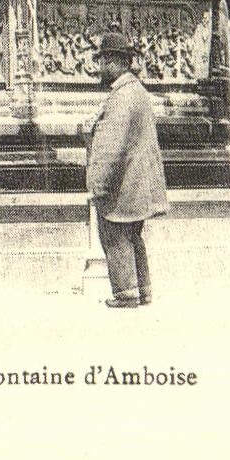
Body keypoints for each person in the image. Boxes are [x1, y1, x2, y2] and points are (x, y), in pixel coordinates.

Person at [85, 30, 168, 308]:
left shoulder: (121, 97)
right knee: (134, 236)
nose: (99, 68)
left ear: (114, 62)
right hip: (138, 184)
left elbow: (111, 147)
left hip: (122, 186)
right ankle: (143, 289)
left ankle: (125, 293)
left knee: (114, 234)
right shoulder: (138, 92)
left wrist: (98, 186)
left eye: (102, 61)